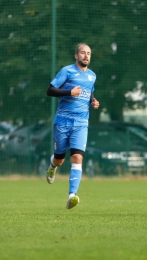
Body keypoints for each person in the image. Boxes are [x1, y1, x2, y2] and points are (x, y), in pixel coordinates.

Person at [45, 43, 100, 209]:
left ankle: (72, 195)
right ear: (76, 56)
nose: (86, 56)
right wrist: (69, 92)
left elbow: (88, 91)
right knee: (60, 159)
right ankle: (52, 165)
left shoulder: (92, 76)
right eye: (82, 53)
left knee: (77, 158)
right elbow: (50, 90)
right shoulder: (66, 71)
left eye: (88, 53)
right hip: (62, 121)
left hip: (81, 123)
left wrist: (93, 100)